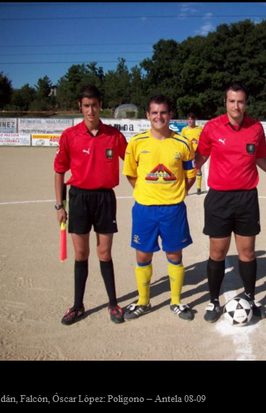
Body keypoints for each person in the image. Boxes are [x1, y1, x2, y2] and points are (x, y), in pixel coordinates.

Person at [195, 83, 266, 323]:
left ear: (246, 103)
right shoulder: (212, 127)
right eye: (232, 101)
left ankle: (250, 296)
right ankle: (214, 300)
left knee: (247, 252)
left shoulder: (256, 128)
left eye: (240, 101)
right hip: (219, 198)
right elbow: (200, 157)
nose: (236, 106)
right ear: (225, 102)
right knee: (217, 252)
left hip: (247, 198)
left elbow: (261, 159)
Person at [54, 84, 127, 325]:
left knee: (104, 253)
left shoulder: (114, 135)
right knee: (81, 253)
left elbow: (134, 162)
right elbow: (59, 171)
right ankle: (77, 306)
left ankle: (113, 303)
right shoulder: (70, 135)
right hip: (78, 198)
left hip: (105, 198)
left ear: (101, 106)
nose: (91, 110)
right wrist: (59, 206)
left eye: (94, 105)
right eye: (86, 106)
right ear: (80, 107)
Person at [123, 95, 196, 321]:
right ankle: (143, 301)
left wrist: (174, 193)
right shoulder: (136, 142)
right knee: (143, 255)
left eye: (163, 112)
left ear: (170, 115)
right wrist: (148, 193)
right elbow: (131, 175)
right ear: (147, 115)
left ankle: (176, 301)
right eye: (154, 112)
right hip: (145, 209)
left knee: (174, 254)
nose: (159, 117)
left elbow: (190, 176)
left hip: (173, 210)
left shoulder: (182, 144)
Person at [181, 113, 204, 194]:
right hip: (188, 153)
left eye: (192, 119)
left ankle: (198, 188)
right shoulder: (184, 130)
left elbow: (203, 140)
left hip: (197, 151)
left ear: (194, 120)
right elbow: (182, 141)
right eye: (189, 119)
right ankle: (186, 189)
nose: (190, 121)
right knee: (186, 170)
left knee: (198, 169)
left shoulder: (200, 129)